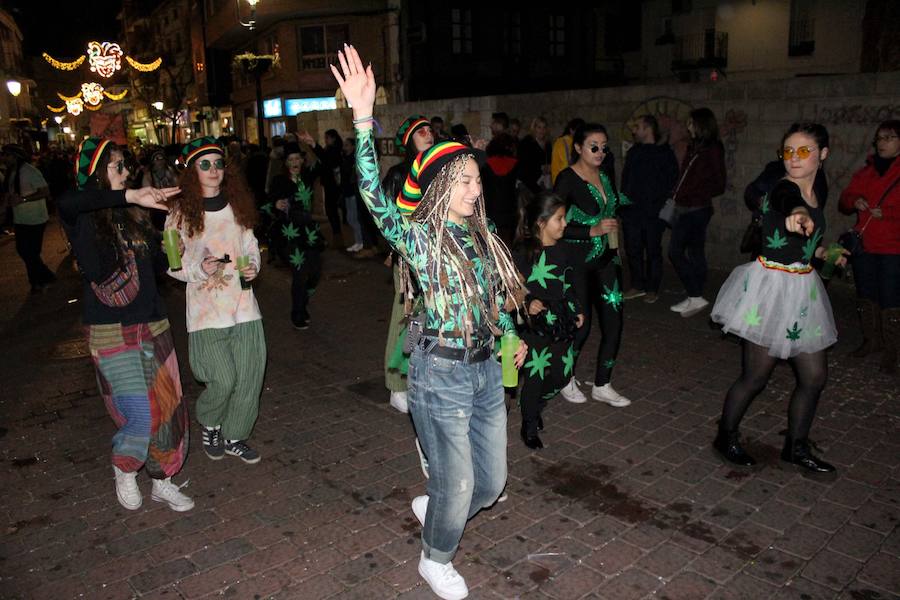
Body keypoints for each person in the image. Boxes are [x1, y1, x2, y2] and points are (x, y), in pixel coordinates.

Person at [332, 44, 527, 600]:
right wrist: (363, 119)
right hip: (439, 372)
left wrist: (511, 336)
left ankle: (435, 504)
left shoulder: (483, 235)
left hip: (486, 370)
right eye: (462, 181)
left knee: (491, 484)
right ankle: (434, 558)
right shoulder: (418, 238)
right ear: (439, 186)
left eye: (476, 180)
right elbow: (373, 195)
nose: (474, 190)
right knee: (458, 484)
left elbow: (496, 297)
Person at [57, 138, 192, 512]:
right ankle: (125, 466)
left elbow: (155, 265)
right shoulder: (82, 215)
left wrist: (175, 255)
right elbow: (68, 201)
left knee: (167, 409)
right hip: (111, 330)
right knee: (140, 414)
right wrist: (131, 195)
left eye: (126, 165)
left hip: (153, 323)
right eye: (117, 166)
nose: (127, 172)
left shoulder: (134, 214)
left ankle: (162, 480)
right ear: (97, 172)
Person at [710, 123, 841, 475]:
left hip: (802, 289)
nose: (794, 158)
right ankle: (725, 436)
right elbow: (787, 200)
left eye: (804, 151)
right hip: (770, 289)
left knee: (814, 377)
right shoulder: (784, 187)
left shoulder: (819, 188)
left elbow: (804, 241)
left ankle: (796, 447)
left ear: (823, 154)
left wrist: (823, 252)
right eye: (788, 151)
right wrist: (797, 211)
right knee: (756, 376)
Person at [165, 137, 267, 465]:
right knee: (222, 379)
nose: (213, 170)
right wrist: (199, 268)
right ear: (192, 171)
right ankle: (211, 423)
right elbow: (173, 265)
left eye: (218, 163)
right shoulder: (180, 214)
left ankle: (235, 435)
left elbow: (250, 245)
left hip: (244, 306)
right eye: (205, 164)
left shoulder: (237, 205)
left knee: (250, 376)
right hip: (206, 311)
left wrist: (254, 266)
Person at [555, 123, 631, 408]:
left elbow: (611, 211)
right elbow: (554, 224)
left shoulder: (606, 175)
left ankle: (603, 384)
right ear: (578, 148)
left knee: (614, 322)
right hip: (577, 262)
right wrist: (591, 230)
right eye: (594, 146)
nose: (600, 152)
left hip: (607, 260)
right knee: (581, 324)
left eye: (604, 147)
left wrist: (613, 238)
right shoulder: (567, 179)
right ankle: (566, 377)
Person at [512, 192, 583, 449]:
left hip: (560, 318)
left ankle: (535, 403)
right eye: (559, 219)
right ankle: (529, 423)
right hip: (535, 323)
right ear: (541, 223)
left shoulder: (563, 250)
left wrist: (576, 307)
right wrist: (528, 303)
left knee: (563, 374)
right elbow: (512, 288)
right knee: (535, 375)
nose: (565, 224)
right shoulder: (524, 252)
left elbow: (567, 283)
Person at [382, 115, 434, 413]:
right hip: (409, 258)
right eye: (420, 132)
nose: (428, 134)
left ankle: (417, 373)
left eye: (429, 130)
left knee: (427, 317)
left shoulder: (437, 169)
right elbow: (383, 216)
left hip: (435, 256)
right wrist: (393, 249)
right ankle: (396, 384)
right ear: (409, 141)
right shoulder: (399, 174)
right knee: (405, 316)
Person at [838, 119, 900, 374]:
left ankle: (892, 349)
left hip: (893, 247)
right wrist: (856, 201)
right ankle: (871, 340)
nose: (882, 143)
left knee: (891, 298)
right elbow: (845, 199)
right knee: (866, 294)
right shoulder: (867, 171)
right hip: (865, 245)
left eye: (889, 138)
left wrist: (888, 213)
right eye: (879, 138)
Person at [668, 107, 726, 318]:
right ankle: (695, 295)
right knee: (694, 252)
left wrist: (694, 192)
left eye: (691, 123)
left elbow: (719, 183)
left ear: (701, 124)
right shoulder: (694, 147)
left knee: (675, 251)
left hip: (697, 208)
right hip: (685, 207)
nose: (688, 126)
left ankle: (695, 295)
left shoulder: (713, 148)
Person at [621, 115, 679, 304]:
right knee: (633, 250)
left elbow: (672, 181)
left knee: (653, 251)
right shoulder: (634, 152)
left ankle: (652, 288)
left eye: (637, 126)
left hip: (653, 213)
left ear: (647, 128)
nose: (634, 130)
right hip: (632, 213)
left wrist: (659, 205)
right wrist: (622, 205)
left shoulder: (664, 153)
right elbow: (626, 181)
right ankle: (637, 285)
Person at [268, 143, 326, 329]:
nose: (294, 162)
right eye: (290, 159)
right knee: (300, 273)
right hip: (290, 234)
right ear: (285, 163)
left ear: (302, 160)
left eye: (297, 158)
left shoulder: (307, 176)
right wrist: (275, 204)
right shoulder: (279, 181)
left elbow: (326, 163)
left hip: (310, 232)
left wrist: (314, 145)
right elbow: (267, 202)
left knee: (315, 273)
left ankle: (303, 300)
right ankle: (298, 312)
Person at [2, 144, 56, 293]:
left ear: (15, 156)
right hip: (20, 218)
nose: (4, 158)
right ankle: (44, 277)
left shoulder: (30, 171)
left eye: (7, 155)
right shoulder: (11, 172)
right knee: (24, 251)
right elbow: (9, 193)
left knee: (30, 252)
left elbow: (45, 191)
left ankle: (36, 282)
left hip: (35, 218)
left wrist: (24, 199)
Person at [300, 129, 344, 246]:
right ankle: (337, 237)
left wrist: (313, 144)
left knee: (332, 210)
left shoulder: (335, 150)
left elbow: (325, 159)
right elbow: (322, 163)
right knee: (331, 210)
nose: (326, 140)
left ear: (333, 138)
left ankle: (338, 237)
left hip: (333, 184)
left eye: (327, 138)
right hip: (329, 183)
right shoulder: (330, 149)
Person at [482, 133, 520, 248]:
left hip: (491, 211)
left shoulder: (485, 164)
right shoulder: (515, 164)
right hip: (510, 212)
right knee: (508, 245)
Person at [340, 137, 365, 253]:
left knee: (354, 218)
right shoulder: (345, 158)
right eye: (344, 145)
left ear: (353, 147)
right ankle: (358, 241)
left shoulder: (354, 159)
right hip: (347, 191)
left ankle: (360, 242)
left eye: (347, 145)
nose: (344, 147)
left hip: (353, 191)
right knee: (350, 218)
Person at [517, 117, 552, 193]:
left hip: (542, 181)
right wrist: (540, 168)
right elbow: (523, 164)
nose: (542, 130)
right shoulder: (526, 142)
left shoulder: (548, 144)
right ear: (534, 128)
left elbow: (549, 160)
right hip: (528, 182)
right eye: (539, 127)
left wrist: (549, 167)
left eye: (544, 127)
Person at [550, 118, 584, 185]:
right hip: (564, 182)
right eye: (578, 131)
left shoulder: (579, 142)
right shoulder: (561, 143)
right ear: (571, 130)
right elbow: (559, 166)